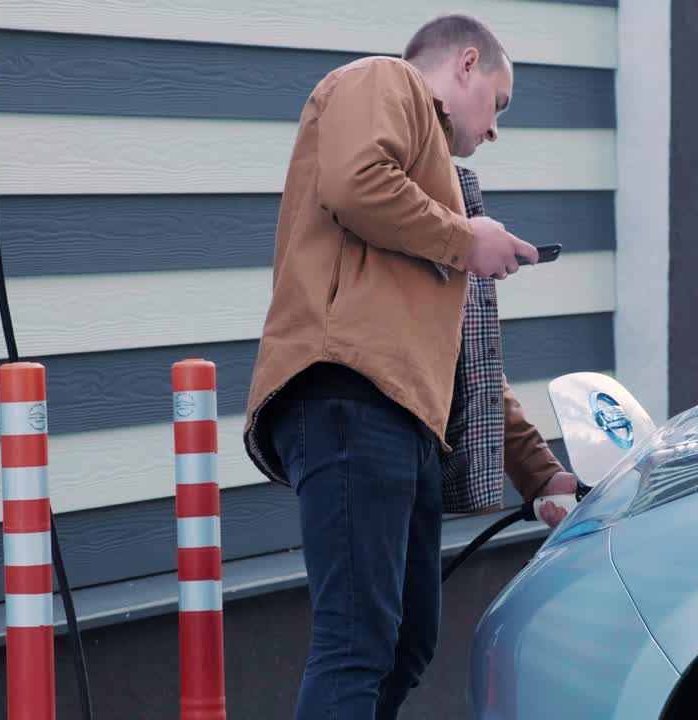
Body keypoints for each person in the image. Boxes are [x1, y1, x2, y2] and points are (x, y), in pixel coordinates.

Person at [242, 14, 578, 719]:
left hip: (400, 419)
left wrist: (540, 471)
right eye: (500, 102)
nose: (494, 131)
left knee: (407, 640)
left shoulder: (437, 191)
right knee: (358, 642)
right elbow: (353, 181)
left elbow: (466, 364)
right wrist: (464, 238)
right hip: (347, 395)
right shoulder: (380, 79)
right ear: (464, 64)